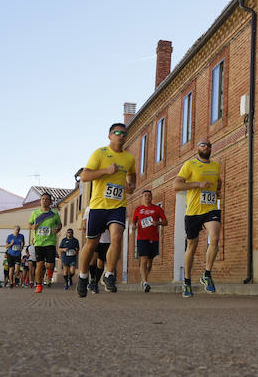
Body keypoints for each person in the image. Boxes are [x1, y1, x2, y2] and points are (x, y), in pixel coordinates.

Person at [76, 123, 136, 298]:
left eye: (124, 133)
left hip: (117, 206)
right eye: (117, 133)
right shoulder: (100, 153)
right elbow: (85, 176)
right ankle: (83, 276)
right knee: (91, 244)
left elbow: (131, 175)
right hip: (98, 206)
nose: (121, 136)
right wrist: (106, 171)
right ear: (110, 136)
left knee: (117, 236)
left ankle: (109, 274)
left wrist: (131, 185)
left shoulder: (129, 158)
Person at [174, 139, 223, 298]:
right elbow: (177, 186)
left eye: (209, 145)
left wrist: (217, 190)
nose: (207, 147)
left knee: (215, 237)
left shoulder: (216, 166)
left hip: (210, 209)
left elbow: (218, 181)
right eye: (203, 144)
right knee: (192, 246)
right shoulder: (189, 165)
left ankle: (206, 274)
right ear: (197, 148)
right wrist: (198, 184)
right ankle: (187, 281)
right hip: (193, 211)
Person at [131, 189, 168, 292]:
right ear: (142, 198)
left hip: (154, 238)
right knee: (143, 260)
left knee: (149, 262)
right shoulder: (138, 210)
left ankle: (144, 280)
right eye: (145, 195)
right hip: (141, 238)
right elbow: (133, 222)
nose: (147, 197)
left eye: (149, 195)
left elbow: (165, 222)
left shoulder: (157, 209)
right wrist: (133, 226)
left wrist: (158, 223)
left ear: (152, 197)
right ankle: (145, 282)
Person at [29, 192, 62, 293]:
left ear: (50, 202)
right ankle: (39, 285)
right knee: (40, 264)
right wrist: (32, 227)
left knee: (50, 265)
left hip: (50, 242)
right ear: (40, 201)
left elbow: (59, 225)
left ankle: (49, 275)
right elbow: (30, 224)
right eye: (43, 199)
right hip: (39, 242)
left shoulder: (54, 213)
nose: (44, 200)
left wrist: (57, 229)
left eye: (47, 199)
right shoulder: (35, 213)